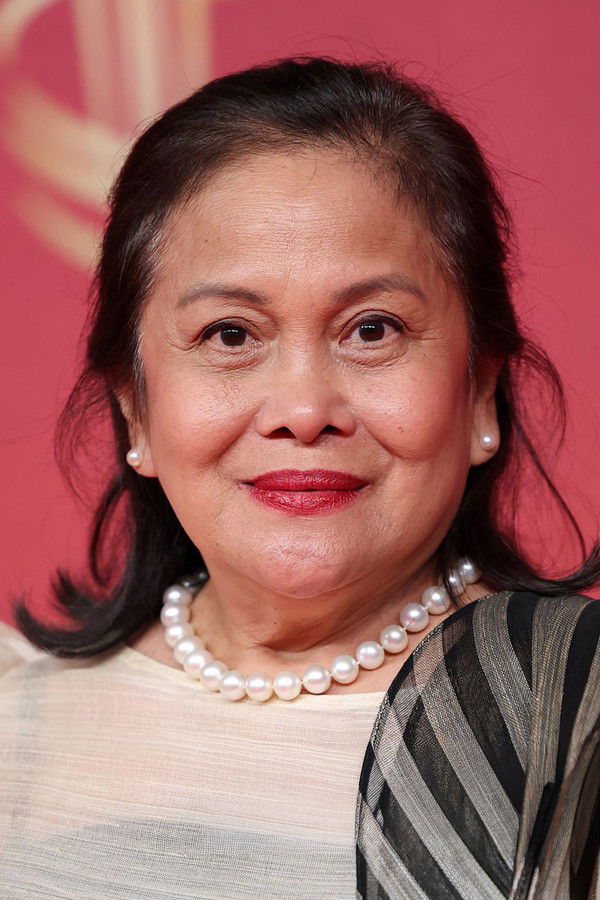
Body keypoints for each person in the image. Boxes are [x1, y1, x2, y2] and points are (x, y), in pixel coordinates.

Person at [0, 56, 598, 899]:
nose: (305, 410)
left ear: (479, 394)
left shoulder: (577, 719)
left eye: (372, 329)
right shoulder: (16, 717)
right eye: (231, 335)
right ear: (135, 407)